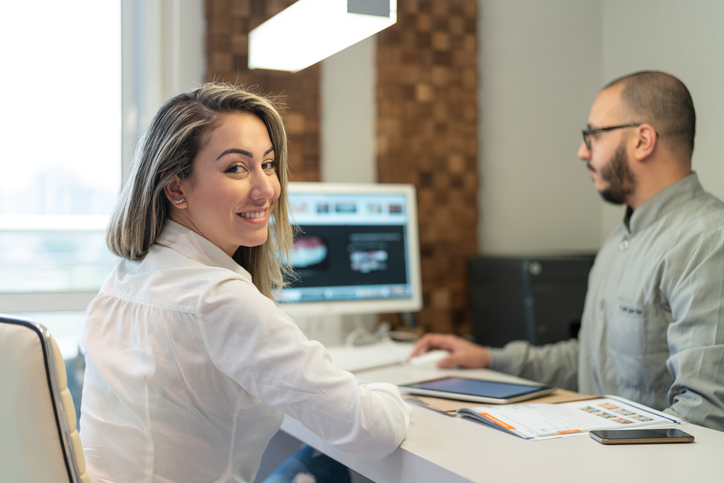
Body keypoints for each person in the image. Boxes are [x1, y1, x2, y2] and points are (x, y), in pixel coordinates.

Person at [79, 83, 410, 483]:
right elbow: (375, 431)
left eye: (268, 165)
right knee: (331, 461)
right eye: (236, 168)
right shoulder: (220, 300)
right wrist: (396, 395)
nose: (266, 189)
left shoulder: (124, 279)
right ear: (176, 188)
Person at [412, 71, 724, 432]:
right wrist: (488, 358)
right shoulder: (620, 241)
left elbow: (705, 413)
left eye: (593, 135)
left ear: (643, 140)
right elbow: (590, 358)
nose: (582, 152)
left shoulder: (707, 243)